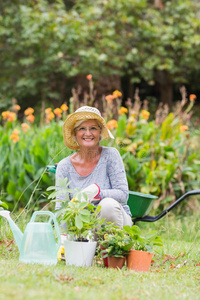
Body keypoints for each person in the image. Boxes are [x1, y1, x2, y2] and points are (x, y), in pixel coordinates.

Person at [55, 105, 132, 229]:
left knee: (108, 205)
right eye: (82, 128)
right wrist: (62, 238)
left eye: (93, 128)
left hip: (116, 221)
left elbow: (123, 195)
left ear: (100, 132)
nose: (88, 133)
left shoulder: (110, 155)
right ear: (75, 133)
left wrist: (94, 194)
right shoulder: (64, 166)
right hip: (82, 229)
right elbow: (61, 208)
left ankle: (110, 246)